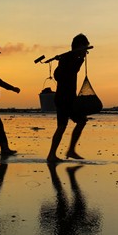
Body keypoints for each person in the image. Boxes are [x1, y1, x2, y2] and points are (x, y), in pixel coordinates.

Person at [47, 34, 91, 162]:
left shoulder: (68, 58)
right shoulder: (69, 59)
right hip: (65, 99)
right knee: (80, 121)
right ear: (79, 47)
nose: (85, 52)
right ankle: (68, 151)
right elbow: (66, 73)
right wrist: (80, 59)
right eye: (85, 48)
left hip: (64, 98)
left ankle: (53, 154)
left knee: (62, 126)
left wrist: (78, 58)